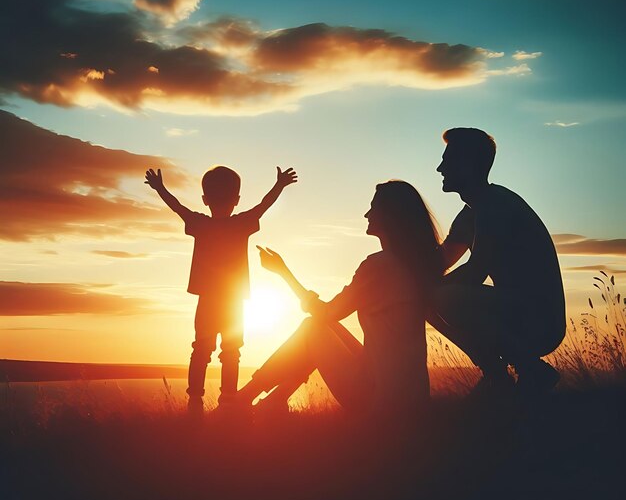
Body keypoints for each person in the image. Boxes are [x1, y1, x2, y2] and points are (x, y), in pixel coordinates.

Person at [237, 180, 443, 416]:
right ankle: (270, 404)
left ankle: (240, 400)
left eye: (373, 208)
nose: (367, 214)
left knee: (312, 327)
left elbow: (325, 312)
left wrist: (283, 272)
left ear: (389, 216)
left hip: (379, 400)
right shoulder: (413, 264)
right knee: (324, 327)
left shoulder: (378, 267)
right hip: (413, 397)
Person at [145, 164, 297, 413]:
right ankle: (227, 400)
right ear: (237, 200)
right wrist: (279, 185)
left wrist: (160, 188)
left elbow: (177, 208)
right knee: (231, 351)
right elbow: (263, 206)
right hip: (233, 301)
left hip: (207, 300)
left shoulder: (200, 224)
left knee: (201, 350)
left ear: (205, 199)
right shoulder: (241, 223)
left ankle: (195, 402)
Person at [431, 128, 566, 394]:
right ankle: (497, 375)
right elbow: (439, 263)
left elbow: (475, 273)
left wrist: (427, 290)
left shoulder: (495, 205)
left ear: (468, 165)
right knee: (429, 299)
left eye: (447, 160)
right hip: (516, 311)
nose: (440, 168)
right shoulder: (472, 213)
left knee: (441, 298)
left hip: (538, 320)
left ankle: (529, 369)